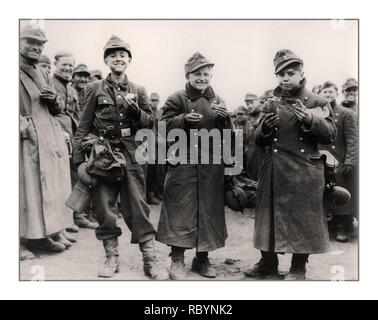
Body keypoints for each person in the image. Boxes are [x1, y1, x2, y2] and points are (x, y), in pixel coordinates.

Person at [73, 34, 169, 280]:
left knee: (138, 206)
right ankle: (111, 257)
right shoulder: (94, 89)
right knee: (104, 207)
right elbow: (83, 125)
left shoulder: (139, 90)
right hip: (102, 154)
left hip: (130, 154)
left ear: (129, 61)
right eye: (113, 55)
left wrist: (138, 114)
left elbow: (151, 124)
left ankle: (150, 259)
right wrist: (78, 159)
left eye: (123, 55)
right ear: (106, 60)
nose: (118, 59)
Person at [245, 49, 336, 280]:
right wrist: (264, 128)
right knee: (267, 217)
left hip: (304, 170)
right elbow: (258, 140)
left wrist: (310, 118)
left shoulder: (318, 101)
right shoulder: (271, 103)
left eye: (290, 73)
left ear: (302, 73)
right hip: (274, 169)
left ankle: (298, 267)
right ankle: (267, 263)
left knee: (302, 219)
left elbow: (330, 135)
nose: (285, 78)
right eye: (280, 74)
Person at [156, 52, 231, 280]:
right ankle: (177, 259)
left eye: (206, 74)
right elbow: (161, 128)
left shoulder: (218, 100)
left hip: (210, 165)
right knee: (179, 210)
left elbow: (227, 135)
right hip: (183, 164)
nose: (202, 78)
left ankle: (203, 258)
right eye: (197, 73)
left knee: (208, 211)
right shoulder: (176, 98)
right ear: (187, 75)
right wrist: (182, 121)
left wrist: (225, 119)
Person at [20, 25, 74, 258]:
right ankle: (17, 244)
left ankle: (41, 237)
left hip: (45, 137)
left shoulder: (40, 72)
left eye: (40, 44)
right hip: (23, 138)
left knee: (42, 190)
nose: (36, 47)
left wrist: (54, 100)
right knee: (20, 192)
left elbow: (56, 108)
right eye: (30, 41)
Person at [52, 51, 97, 230]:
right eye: (65, 65)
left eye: (71, 65)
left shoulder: (71, 88)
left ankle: (76, 215)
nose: (68, 68)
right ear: (56, 64)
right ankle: (67, 218)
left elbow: (78, 115)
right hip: (59, 134)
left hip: (74, 136)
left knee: (77, 174)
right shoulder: (52, 82)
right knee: (62, 177)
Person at [319, 81, 358, 242]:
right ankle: (332, 225)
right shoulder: (317, 112)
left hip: (340, 160)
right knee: (325, 193)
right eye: (325, 92)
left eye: (331, 92)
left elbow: (353, 140)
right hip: (321, 160)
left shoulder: (346, 113)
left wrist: (351, 161)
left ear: (337, 94)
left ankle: (345, 226)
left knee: (342, 193)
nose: (328, 95)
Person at [146, 92, 162, 205]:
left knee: (158, 170)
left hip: (158, 145)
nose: (153, 102)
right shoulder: (146, 112)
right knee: (148, 170)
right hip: (147, 144)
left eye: (156, 100)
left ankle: (155, 193)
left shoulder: (161, 113)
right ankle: (148, 195)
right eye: (152, 100)